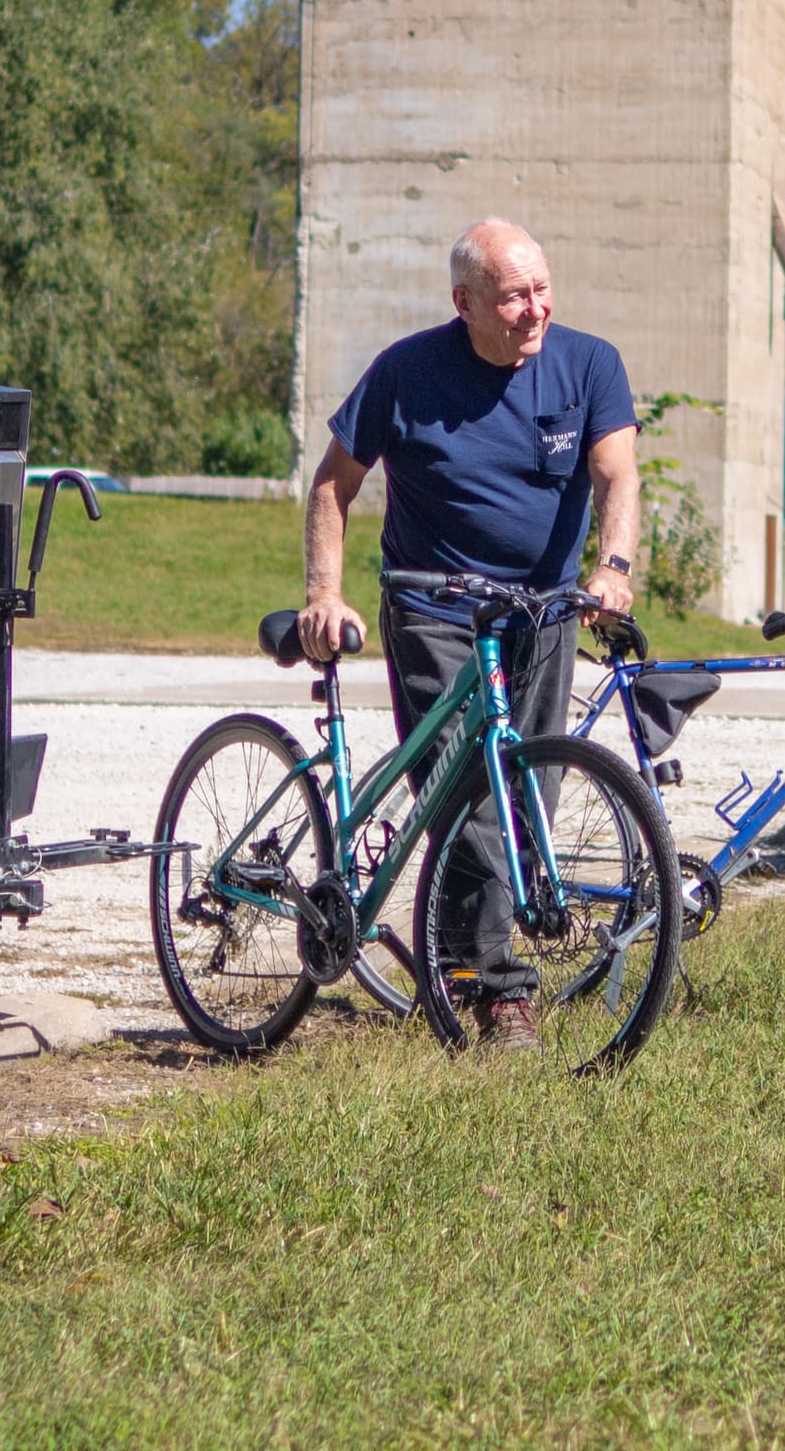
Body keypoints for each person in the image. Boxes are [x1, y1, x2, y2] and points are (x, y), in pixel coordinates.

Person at [299, 219, 640, 1048]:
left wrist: (615, 566)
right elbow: (332, 486)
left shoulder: (588, 363)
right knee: (470, 797)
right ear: (466, 304)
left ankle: (456, 960)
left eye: (542, 288)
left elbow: (616, 473)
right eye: (514, 296)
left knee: (530, 796)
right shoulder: (407, 373)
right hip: (433, 608)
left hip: (543, 610)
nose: (535, 310)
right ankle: (496, 992)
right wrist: (324, 592)